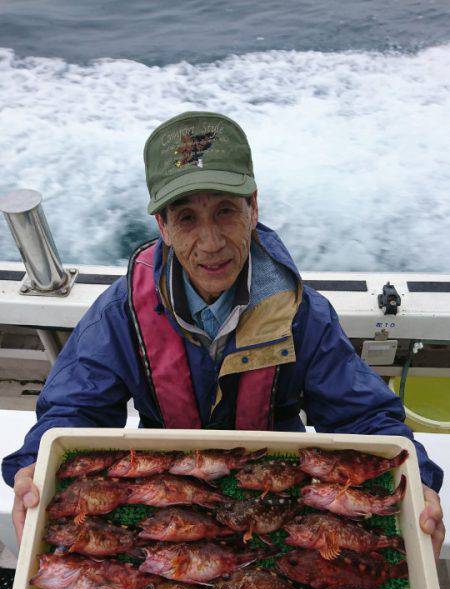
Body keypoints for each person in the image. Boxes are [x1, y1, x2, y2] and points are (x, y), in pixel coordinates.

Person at [2, 111, 445, 555]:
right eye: (188, 218)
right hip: (170, 487)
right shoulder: (122, 314)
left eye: (226, 211)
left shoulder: (304, 315)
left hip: (280, 489)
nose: (211, 242)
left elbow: (363, 419)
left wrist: (417, 480)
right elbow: (76, 411)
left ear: (254, 208)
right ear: (163, 227)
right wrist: (34, 468)